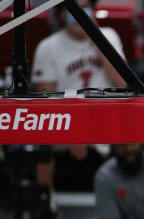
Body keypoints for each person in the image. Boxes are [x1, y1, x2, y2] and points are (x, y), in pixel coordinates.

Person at [32, 0, 126, 191]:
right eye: (72, 8)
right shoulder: (48, 47)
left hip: (106, 119)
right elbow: (45, 101)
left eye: (85, 7)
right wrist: (73, 131)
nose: (79, 13)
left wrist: (96, 37)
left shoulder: (109, 36)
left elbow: (123, 83)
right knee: (39, 140)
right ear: (59, 14)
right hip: (65, 121)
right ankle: (45, 204)